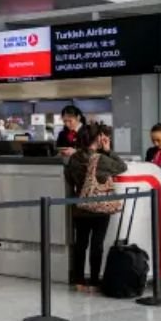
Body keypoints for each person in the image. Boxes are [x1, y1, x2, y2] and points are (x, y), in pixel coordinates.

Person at [63, 123, 127, 291]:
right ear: (98, 138)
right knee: (97, 244)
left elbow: (69, 178)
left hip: (80, 206)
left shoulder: (74, 158)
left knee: (80, 243)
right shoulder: (102, 159)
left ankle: (78, 280)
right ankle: (93, 281)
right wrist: (107, 150)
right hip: (99, 207)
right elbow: (122, 167)